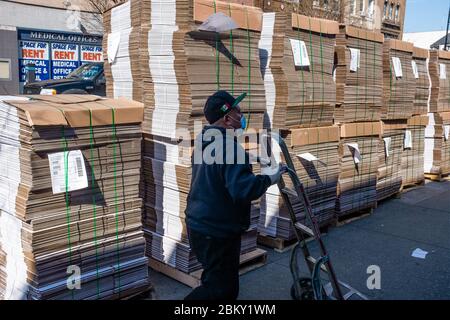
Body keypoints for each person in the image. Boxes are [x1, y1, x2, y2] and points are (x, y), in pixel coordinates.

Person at [184, 90, 284, 300]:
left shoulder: (203, 140)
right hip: (217, 231)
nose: (242, 113)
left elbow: (217, 172)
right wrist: (268, 179)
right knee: (221, 291)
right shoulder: (230, 147)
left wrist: (246, 158)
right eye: (238, 110)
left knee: (215, 278)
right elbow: (244, 190)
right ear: (227, 118)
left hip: (198, 225)